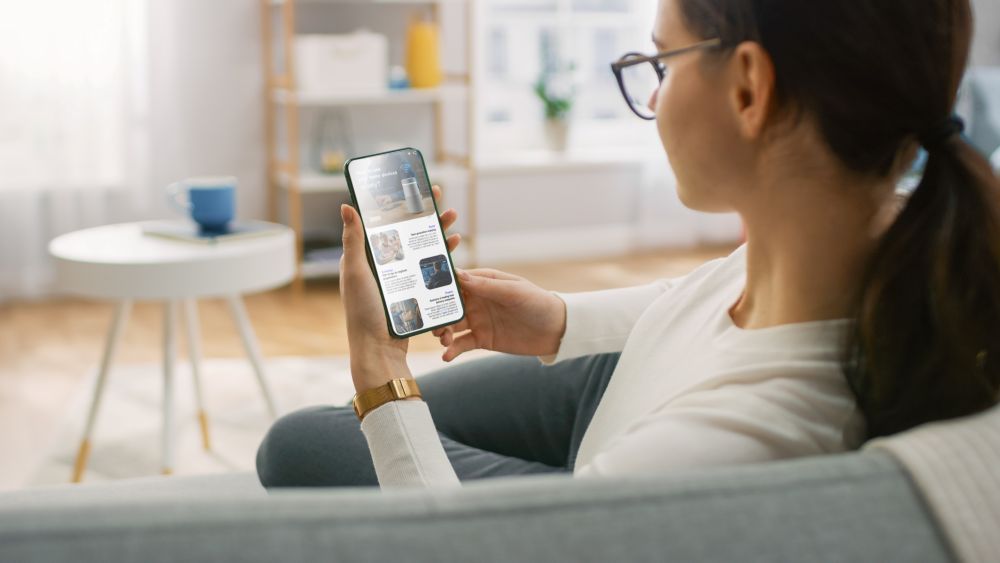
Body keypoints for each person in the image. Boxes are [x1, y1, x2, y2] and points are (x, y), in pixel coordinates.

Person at [256, 0, 1000, 491]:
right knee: (321, 435)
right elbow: (703, 292)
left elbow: (460, 548)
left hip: (625, 449)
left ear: (748, 88)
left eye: (661, 63)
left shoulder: (736, 438)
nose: (651, 95)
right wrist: (557, 319)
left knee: (301, 443)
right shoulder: (866, 237)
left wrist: (381, 363)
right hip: (635, 378)